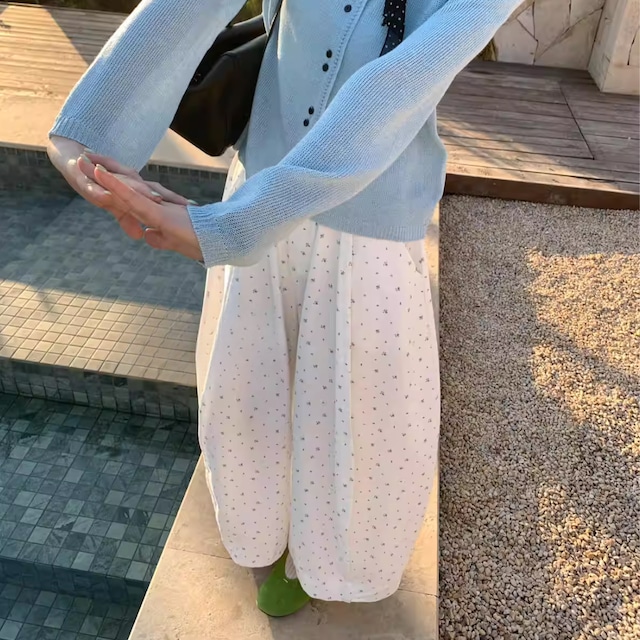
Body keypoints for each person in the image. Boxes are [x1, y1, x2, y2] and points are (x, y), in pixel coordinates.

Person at [48, 0, 520, 617]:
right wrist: (90, 130)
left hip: (367, 233)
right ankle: (262, 532)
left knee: (359, 412)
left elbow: (403, 81)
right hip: (259, 181)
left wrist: (236, 228)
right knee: (250, 391)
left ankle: (326, 560)